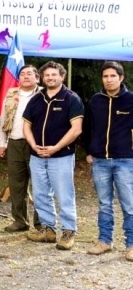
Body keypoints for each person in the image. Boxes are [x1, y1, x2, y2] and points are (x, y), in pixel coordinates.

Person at [23, 61, 84, 250]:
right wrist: (33, 145)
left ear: (62, 76)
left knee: (64, 194)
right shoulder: (36, 99)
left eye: (54, 75)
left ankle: (68, 231)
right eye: (47, 75)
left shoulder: (71, 99)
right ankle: (48, 229)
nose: (50, 78)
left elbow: (76, 129)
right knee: (40, 194)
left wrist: (55, 147)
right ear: (42, 78)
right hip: (37, 156)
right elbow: (26, 125)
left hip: (62, 156)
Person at [83, 61, 133, 259]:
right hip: (100, 162)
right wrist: (89, 150)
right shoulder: (96, 100)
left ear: (121, 78)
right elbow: (88, 128)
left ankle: (131, 244)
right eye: (105, 76)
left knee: (129, 204)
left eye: (113, 76)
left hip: (125, 160)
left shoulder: (130, 100)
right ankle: (104, 241)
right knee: (104, 203)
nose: (109, 80)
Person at [0, 64, 42, 232]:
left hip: (36, 144)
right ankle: (20, 221)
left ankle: (41, 223)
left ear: (37, 78)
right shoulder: (11, 94)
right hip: (15, 142)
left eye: (30, 74)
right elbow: (3, 120)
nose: (26, 77)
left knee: (40, 185)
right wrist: (2, 143)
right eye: (22, 74)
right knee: (16, 185)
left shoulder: (44, 94)